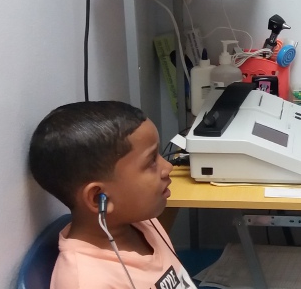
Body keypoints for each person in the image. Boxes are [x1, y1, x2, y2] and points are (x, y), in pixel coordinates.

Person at [29, 101, 197, 289]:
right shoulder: (86, 281)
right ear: (98, 197)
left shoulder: (142, 221)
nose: (168, 167)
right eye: (151, 162)